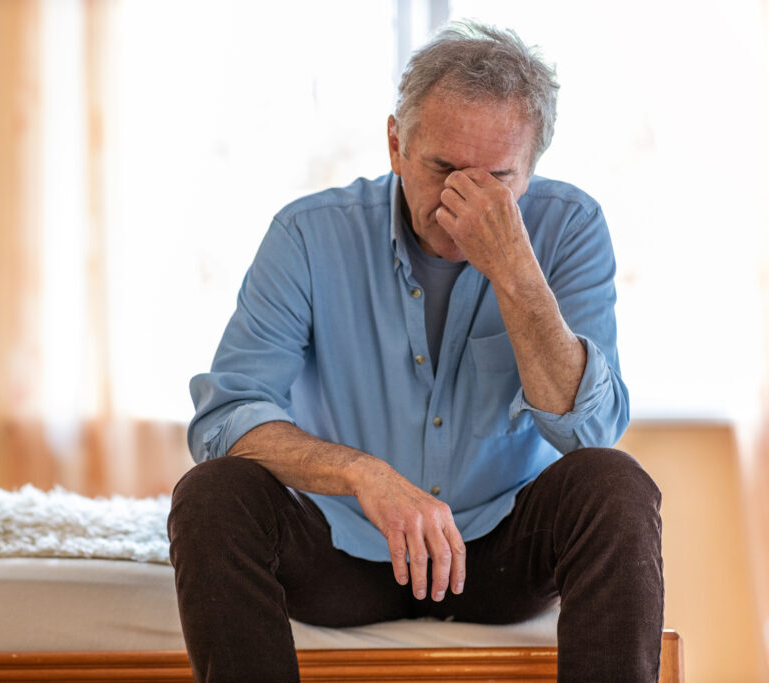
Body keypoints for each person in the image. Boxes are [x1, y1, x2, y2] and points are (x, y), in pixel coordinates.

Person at [169, 21, 664, 683]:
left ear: (532, 168)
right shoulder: (307, 235)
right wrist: (360, 474)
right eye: (443, 170)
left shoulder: (569, 229)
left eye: (496, 178)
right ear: (397, 144)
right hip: (346, 547)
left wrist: (515, 271)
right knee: (211, 494)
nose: (464, 200)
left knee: (617, 484)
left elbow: (592, 431)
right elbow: (226, 417)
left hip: (498, 552)